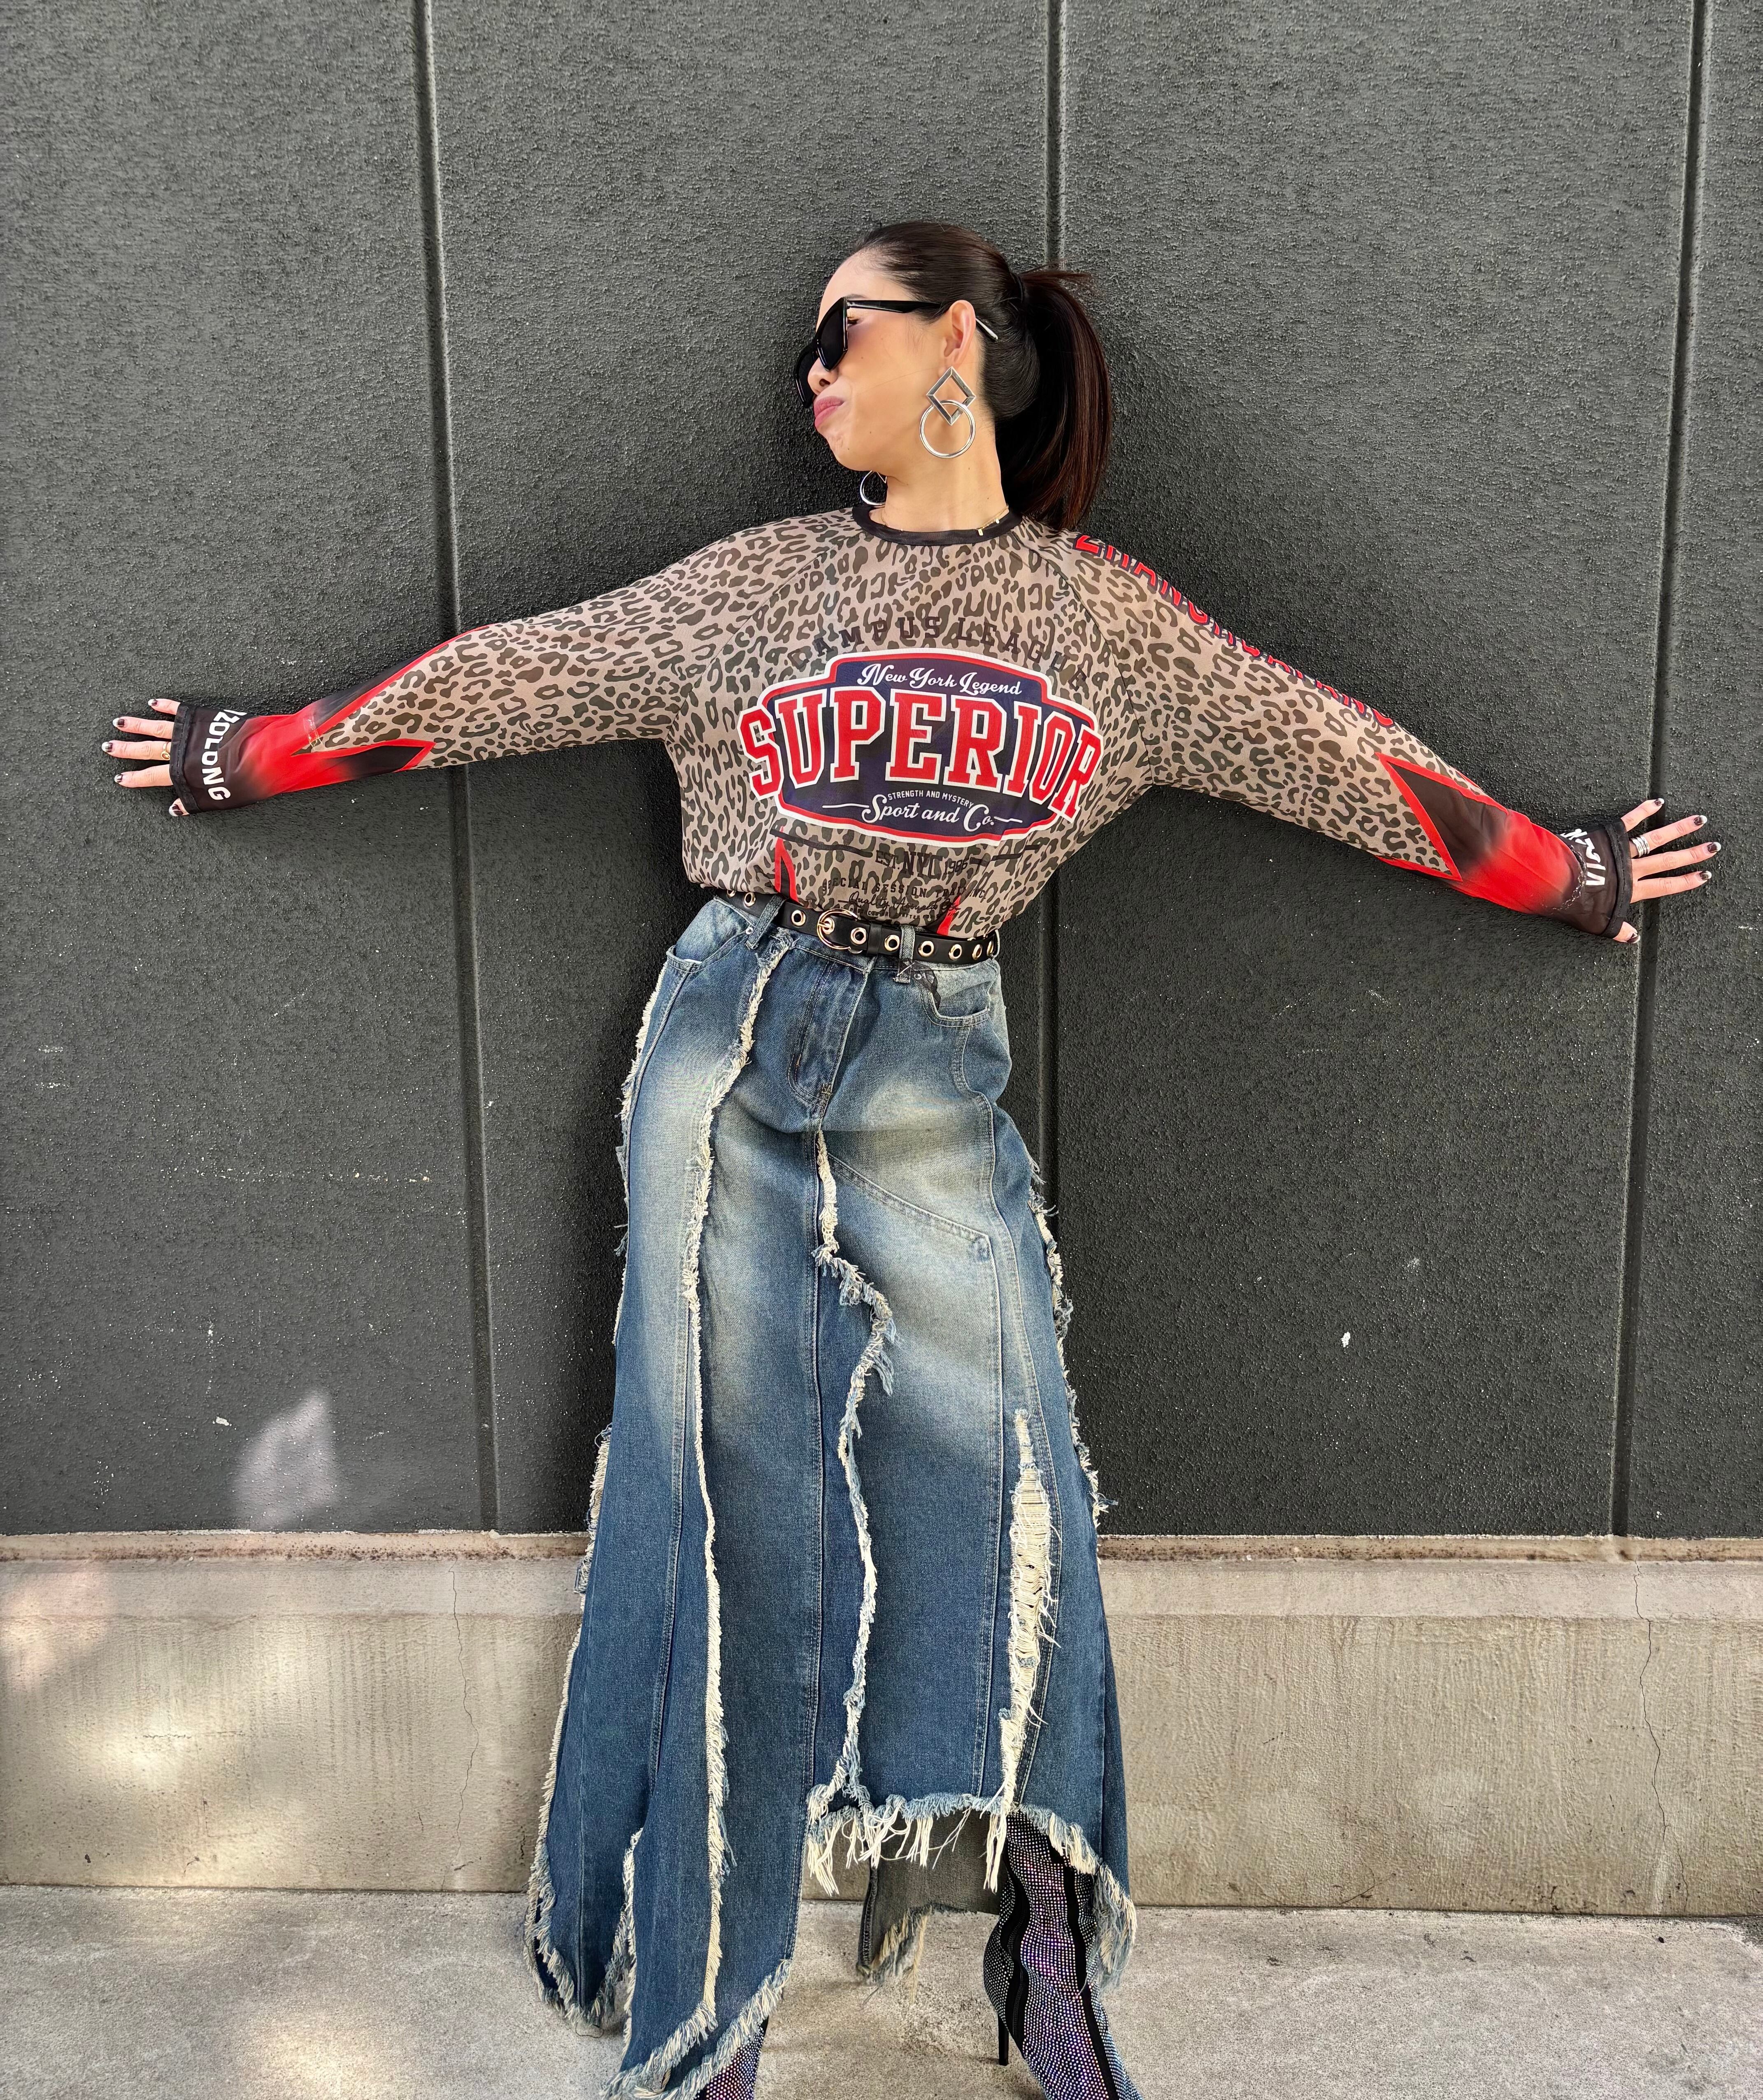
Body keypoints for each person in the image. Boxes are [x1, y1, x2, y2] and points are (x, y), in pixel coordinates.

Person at [103, 219, 1718, 2100]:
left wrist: (1562, 872)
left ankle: (1042, 1939)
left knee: (1013, 1489)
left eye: (839, 336)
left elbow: (1336, 755)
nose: (809, 374)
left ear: (954, 344)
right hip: (729, 1049)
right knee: (725, 1504)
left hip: (937, 1063)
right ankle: (712, 2001)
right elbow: (505, 679)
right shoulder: (756, 587)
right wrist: (249, 755)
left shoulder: (1108, 626)